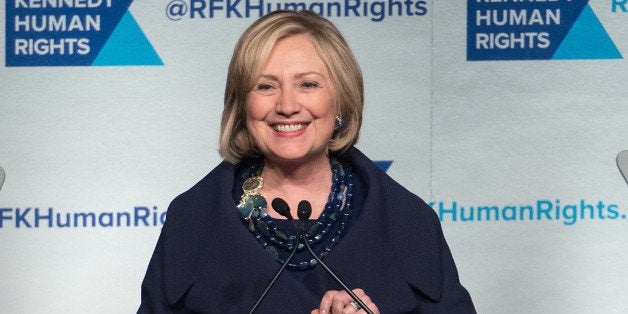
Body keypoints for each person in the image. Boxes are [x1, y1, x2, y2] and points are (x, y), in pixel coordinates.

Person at [138, 10, 475, 313]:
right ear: (243, 105)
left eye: (308, 84)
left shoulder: (410, 223)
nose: (287, 105)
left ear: (341, 101)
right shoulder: (191, 222)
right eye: (266, 86)